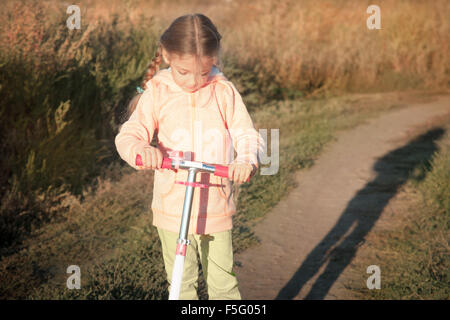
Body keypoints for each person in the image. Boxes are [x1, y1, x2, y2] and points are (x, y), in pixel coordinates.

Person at [115, 13, 265, 300]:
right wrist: (141, 150)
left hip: (216, 207)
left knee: (223, 284)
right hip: (172, 206)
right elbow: (129, 134)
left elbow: (247, 134)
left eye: (203, 72)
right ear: (168, 56)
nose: (194, 82)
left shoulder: (223, 92)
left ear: (214, 60)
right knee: (181, 283)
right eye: (184, 72)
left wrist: (246, 160)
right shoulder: (158, 92)